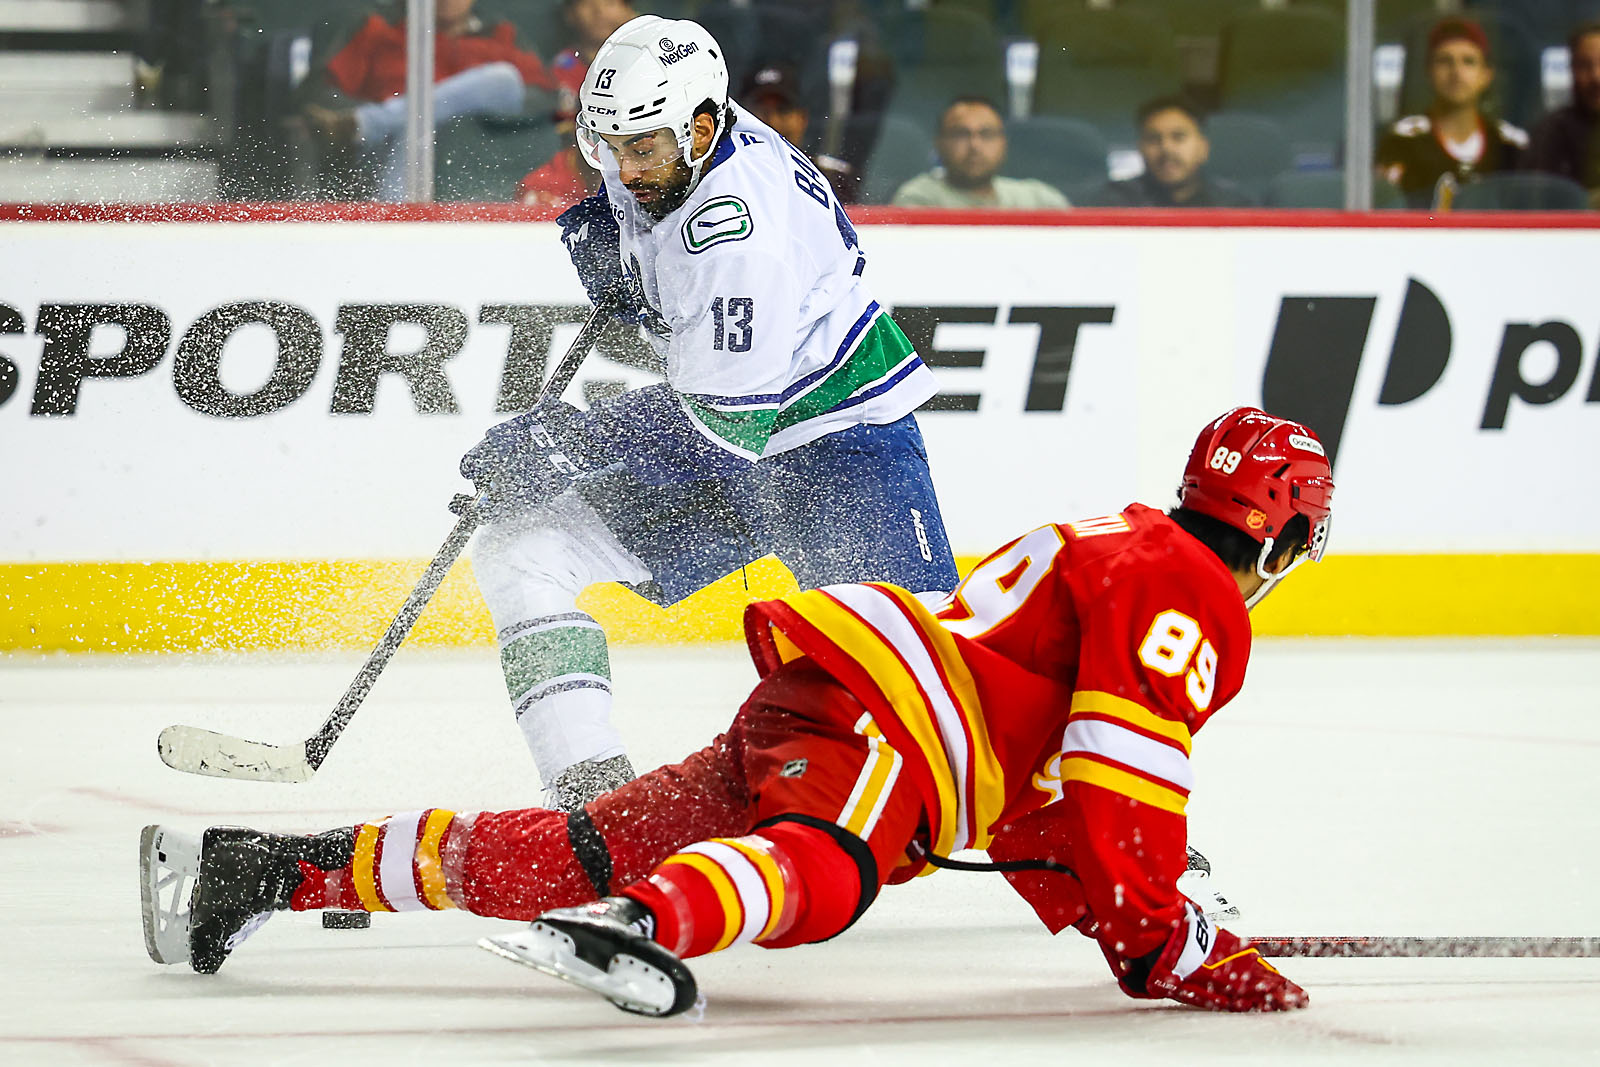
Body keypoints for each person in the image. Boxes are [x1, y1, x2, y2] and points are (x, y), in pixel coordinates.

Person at [141, 406, 1332, 1018]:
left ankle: (262, 868)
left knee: (575, 845)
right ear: (1281, 524)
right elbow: (1121, 779)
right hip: (889, 727)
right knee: (826, 867)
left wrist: (1111, 908)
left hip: (825, 700)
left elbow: (1045, 804)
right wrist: (1165, 945)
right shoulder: (1188, 590)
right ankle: (634, 922)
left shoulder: (1119, 540)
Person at [469, 15, 955, 808]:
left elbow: (718, 429)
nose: (624, 169)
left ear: (700, 128)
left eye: (641, 149)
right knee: (521, 551)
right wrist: (628, 252)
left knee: (936, 707)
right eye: (607, 147)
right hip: (741, 445)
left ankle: (1110, 832)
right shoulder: (674, 139)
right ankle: (595, 805)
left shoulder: (735, 234)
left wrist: (569, 443)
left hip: (841, 450)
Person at [303, 0, 560, 200]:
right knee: (417, 127)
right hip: (386, 152)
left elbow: (545, 95)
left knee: (501, 78)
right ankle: (398, 222)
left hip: (478, 151)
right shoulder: (379, 30)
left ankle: (368, 123)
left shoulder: (501, 34)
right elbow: (323, 94)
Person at [1375, 18, 1527, 210]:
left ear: (1486, 74)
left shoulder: (1510, 145)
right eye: (1445, 61)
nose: (1456, 72)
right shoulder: (1401, 143)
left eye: (1468, 61)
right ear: (1429, 71)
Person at [891, 97, 1070, 209]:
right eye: (961, 134)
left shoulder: (1038, 198)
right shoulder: (918, 198)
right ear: (939, 144)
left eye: (987, 134)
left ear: (1003, 143)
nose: (975, 145)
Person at [1080, 97, 1251, 208]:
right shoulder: (1113, 203)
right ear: (1140, 149)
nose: (1166, 148)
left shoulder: (1232, 206)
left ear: (1203, 148)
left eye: (1178, 137)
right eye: (1154, 139)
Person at [740, 64, 857, 203]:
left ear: (802, 118)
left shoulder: (832, 178)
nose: (772, 120)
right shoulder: (727, 173)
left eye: (783, 110)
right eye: (761, 110)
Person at [1524, 21, 1600, 206]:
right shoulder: (1550, 133)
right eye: (1584, 65)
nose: (1596, 76)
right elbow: (1536, 204)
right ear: (1571, 70)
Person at [516, 90, 602, 209]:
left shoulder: (627, 178)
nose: (603, 138)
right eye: (592, 127)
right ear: (575, 129)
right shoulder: (544, 184)